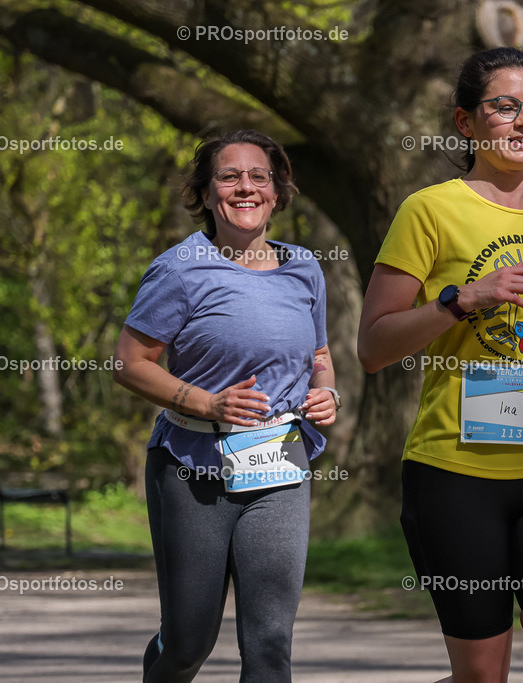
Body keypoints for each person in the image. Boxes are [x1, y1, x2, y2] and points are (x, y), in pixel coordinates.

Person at [357, 47, 523, 682]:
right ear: (466, 121)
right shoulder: (429, 210)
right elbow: (373, 346)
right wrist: (462, 300)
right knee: (482, 677)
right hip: (456, 472)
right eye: (505, 107)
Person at [113, 129, 338, 683]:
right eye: (229, 176)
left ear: (277, 192)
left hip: (279, 462)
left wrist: (327, 393)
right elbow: (130, 363)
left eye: (259, 177)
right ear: (206, 192)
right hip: (193, 465)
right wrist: (209, 403)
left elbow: (319, 354)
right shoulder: (179, 269)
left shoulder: (304, 266)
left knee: (269, 644)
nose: (245, 187)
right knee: (189, 642)